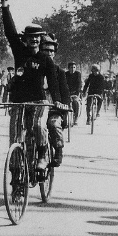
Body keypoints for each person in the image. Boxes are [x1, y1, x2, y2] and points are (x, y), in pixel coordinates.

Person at [0, 0, 65, 171]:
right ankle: (15, 175)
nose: (34, 40)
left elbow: (52, 81)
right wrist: (5, 5)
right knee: (14, 136)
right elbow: (9, 31)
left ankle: (42, 154)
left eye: (37, 37)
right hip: (19, 101)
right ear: (25, 39)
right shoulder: (19, 51)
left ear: (40, 39)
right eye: (31, 37)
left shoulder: (45, 59)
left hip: (38, 101)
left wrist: (58, 101)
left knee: (37, 126)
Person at [40, 34, 70, 166]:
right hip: (37, 107)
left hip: (54, 109)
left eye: (51, 51)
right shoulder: (35, 68)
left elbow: (65, 92)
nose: (49, 53)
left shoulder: (60, 72)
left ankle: (58, 150)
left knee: (53, 124)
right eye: (45, 50)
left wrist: (64, 105)